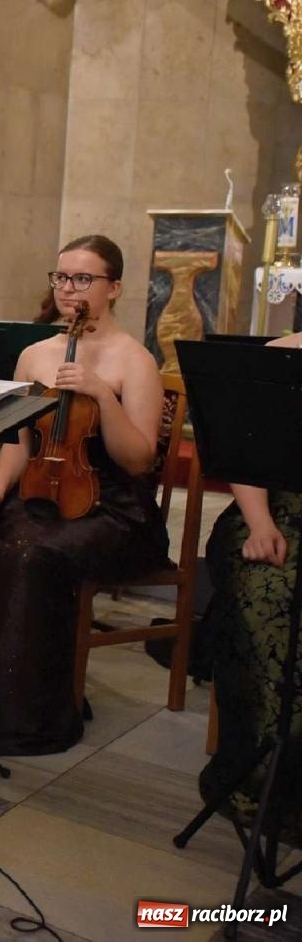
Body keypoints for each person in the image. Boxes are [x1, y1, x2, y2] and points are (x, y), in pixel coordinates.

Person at [0, 234, 170, 756]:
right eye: (62, 278)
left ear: (113, 287)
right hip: (38, 490)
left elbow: (139, 459)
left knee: (32, 557)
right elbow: (18, 442)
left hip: (113, 506)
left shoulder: (134, 360)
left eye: (84, 279)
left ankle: (21, 713)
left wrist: (101, 393)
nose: (70, 290)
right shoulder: (33, 356)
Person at [198, 330, 302, 841]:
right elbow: (243, 456)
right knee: (268, 601)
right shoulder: (281, 356)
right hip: (273, 514)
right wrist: (261, 524)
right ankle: (261, 773)